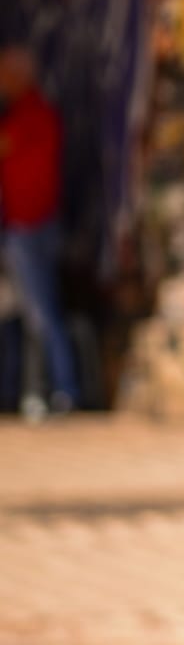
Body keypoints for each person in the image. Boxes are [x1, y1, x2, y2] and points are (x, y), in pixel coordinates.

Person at [0, 44, 79, 414]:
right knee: (25, 315)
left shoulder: (32, 115)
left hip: (29, 228)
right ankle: (32, 391)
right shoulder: (25, 114)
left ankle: (60, 391)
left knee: (40, 315)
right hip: (27, 227)